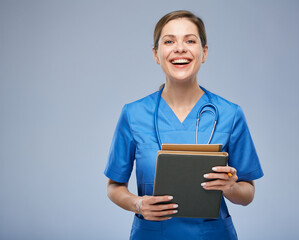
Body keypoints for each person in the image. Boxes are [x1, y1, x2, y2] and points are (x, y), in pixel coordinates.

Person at [104, 10, 263, 240]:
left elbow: (247, 194)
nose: (180, 48)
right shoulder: (133, 114)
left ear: (204, 52)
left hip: (212, 234)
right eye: (169, 41)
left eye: (190, 40)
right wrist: (138, 204)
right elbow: (114, 186)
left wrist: (230, 187)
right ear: (156, 54)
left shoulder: (230, 113)